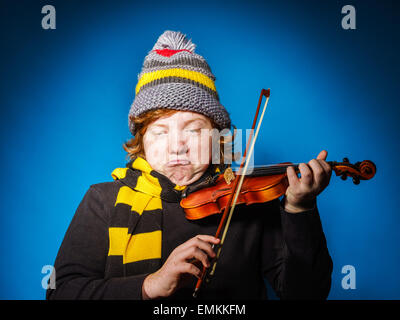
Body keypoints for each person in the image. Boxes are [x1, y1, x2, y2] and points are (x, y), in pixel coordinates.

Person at [46, 31, 333, 300]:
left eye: (194, 130)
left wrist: (299, 209)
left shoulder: (247, 199)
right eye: (160, 132)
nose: (177, 145)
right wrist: (149, 285)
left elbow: (305, 294)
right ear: (142, 139)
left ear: (217, 137)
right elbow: (60, 291)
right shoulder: (102, 201)